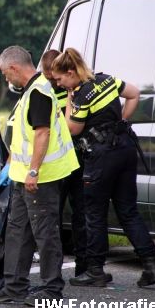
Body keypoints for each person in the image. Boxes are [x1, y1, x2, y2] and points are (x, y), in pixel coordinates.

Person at [50, 47, 155, 288]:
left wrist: (69, 101)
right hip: (125, 147)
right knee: (128, 210)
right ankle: (151, 265)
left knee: (94, 213)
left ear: (70, 72)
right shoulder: (106, 79)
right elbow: (134, 93)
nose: (59, 84)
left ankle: (95, 270)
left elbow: (72, 129)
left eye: (60, 79)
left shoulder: (80, 94)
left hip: (101, 156)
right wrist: (121, 120)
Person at [0, 46, 79, 305]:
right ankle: (14, 286)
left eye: (6, 74)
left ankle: (52, 291)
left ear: (15, 68)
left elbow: (43, 134)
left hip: (41, 177)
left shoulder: (39, 92)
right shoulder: (32, 90)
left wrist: (33, 171)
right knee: (18, 230)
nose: (7, 79)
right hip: (22, 176)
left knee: (45, 233)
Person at [40, 49, 90, 278]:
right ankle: (79, 266)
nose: (54, 83)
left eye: (55, 78)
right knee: (76, 214)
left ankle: (62, 267)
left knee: (60, 215)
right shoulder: (70, 91)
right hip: (73, 159)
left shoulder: (51, 94)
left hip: (64, 161)